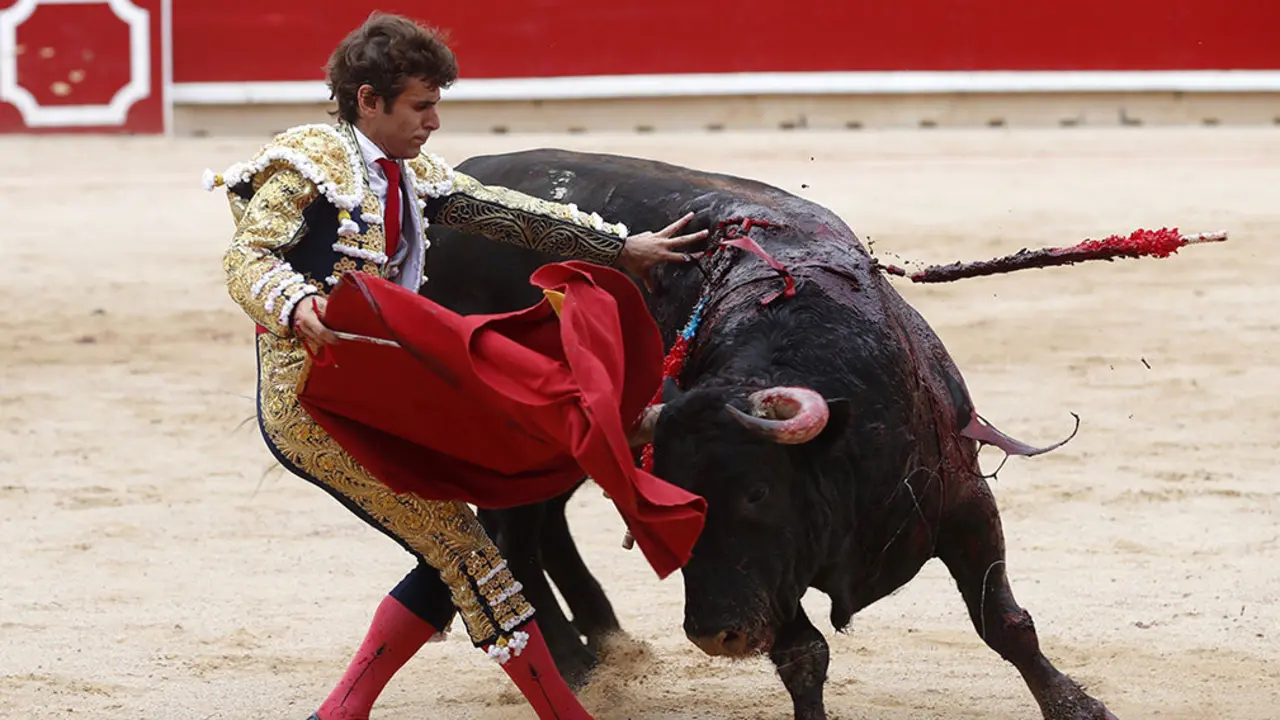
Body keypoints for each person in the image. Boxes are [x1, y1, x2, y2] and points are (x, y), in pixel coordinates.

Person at [203, 12, 707, 720]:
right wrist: (294, 304)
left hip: (389, 392)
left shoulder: (408, 173)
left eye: (437, 103)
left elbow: (507, 212)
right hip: (313, 403)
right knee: (468, 552)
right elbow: (248, 257)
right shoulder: (307, 163)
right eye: (421, 105)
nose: (434, 121)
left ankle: (340, 713)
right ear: (367, 100)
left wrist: (618, 248)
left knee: (454, 550)